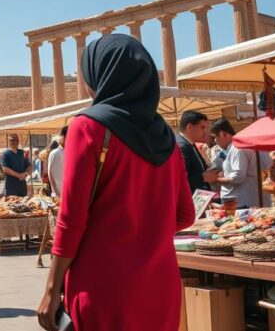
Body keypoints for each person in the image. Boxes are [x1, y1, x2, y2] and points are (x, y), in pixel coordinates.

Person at [36, 35, 195, 331]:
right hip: (160, 286)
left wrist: (50, 289)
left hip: (103, 283)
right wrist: (142, 233)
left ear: (101, 76)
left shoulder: (88, 126)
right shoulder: (167, 138)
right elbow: (185, 215)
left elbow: (71, 219)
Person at [205, 118, 270, 209]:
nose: (215, 141)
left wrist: (216, 179)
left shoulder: (238, 148)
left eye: (216, 137)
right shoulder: (231, 148)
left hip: (246, 205)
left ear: (223, 134)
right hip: (246, 202)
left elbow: (238, 177)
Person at [177, 110, 217, 193]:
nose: (205, 131)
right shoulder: (182, 146)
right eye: (202, 127)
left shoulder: (189, 144)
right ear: (190, 127)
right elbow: (179, 180)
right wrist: (202, 177)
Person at [47, 128, 67, 198]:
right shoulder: (55, 153)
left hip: (68, 192)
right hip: (58, 193)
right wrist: (54, 190)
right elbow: (50, 173)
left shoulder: (72, 152)